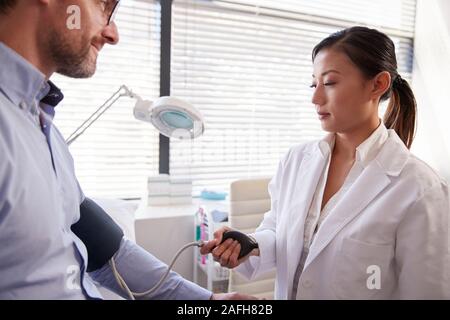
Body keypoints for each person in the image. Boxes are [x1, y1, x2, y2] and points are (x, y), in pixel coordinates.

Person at [0, 0, 257, 300]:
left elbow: (107, 252)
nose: (113, 33)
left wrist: (209, 303)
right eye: (102, 5)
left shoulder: (45, 132)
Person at [201, 26, 450, 299]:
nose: (315, 98)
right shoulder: (296, 161)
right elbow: (279, 233)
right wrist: (250, 244)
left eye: (330, 83)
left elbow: (426, 292)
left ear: (378, 84)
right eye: (313, 84)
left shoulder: (420, 188)